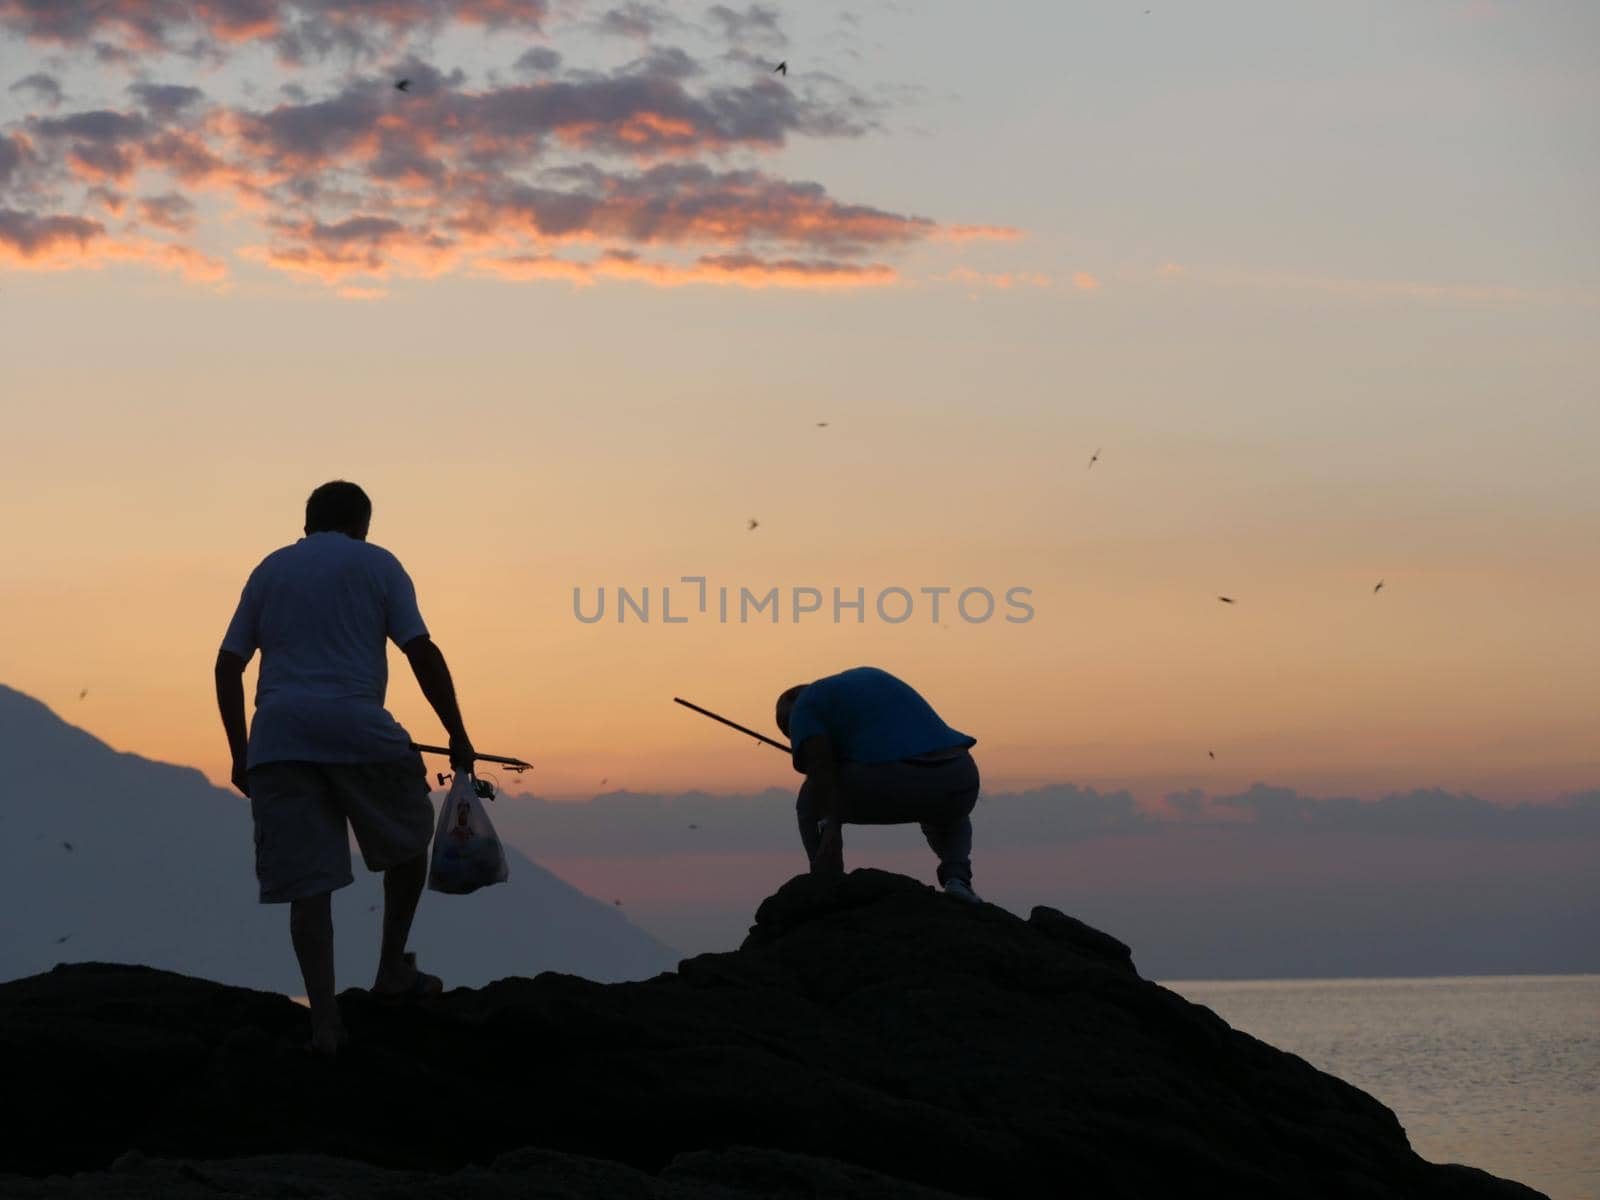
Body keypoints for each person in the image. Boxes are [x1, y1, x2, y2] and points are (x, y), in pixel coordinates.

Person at [214, 480, 475, 1055]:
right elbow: (420, 651)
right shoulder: (377, 564)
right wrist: (457, 732)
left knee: (310, 887)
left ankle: (326, 1025)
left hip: (278, 738)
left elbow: (228, 664)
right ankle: (390, 972)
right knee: (409, 841)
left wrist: (240, 752)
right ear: (363, 524)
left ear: (306, 523)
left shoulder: (271, 570)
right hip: (358, 726)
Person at [775, 667, 981, 902]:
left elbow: (821, 770)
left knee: (810, 797)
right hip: (960, 777)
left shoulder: (803, 706)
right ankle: (958, 879)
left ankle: (825, 877)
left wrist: (831, 828)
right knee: (947, 810)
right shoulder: (864, 680)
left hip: (896, 777)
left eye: (791, 734)